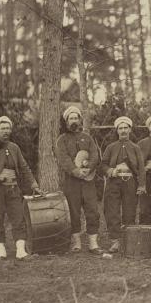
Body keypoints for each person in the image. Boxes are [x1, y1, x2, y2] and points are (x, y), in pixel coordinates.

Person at [0, 116, 42, 260]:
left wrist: (34, 185)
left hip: (13, 190)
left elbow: (24, 168)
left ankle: (21, 251)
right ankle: (0, 251)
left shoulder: (14, 148)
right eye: (3, 129)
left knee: (19, 219)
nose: (6, 131)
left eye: (8, 128)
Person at [55, 106, 102, 254]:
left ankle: (93, 244)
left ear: (80, 120)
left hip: (88, 180)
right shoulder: (61, 140)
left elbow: (95, 155)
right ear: (66, 121)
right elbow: (63, 159)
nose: (74, 121)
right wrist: (75, 171)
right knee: (73, 211)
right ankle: (77, 243)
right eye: (71, 118)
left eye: (76, 118)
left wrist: (89, 168)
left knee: (93, 210)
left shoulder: (87, 138)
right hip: (71, 182)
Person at [100, 117, 146, 253]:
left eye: (126, 128)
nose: (123, 131)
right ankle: (115, 241)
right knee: (112, 210)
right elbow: (103, 164)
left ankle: (128, 240)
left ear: (130, 130)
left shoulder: (136, 148)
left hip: (130, 182)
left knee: (130, 211)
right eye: (121, 128)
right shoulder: (111, 147)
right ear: (117, 130)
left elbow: (142, 168)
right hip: (113, 182)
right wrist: (111, 171)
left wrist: (142, 185)